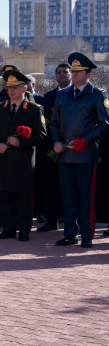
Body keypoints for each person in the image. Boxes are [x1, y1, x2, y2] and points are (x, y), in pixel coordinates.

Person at [50, 52, 109, 248]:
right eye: (73, 71)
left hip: (85, 155)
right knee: (68, 196)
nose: (74, 75)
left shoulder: (97, 95)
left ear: (88, 74)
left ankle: (86, 235)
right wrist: (57, 142)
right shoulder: (63, 94)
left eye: (78, 71)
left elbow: (104, 124)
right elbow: (55, 123)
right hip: (65, 155)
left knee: (85, 197)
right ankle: (70, 233)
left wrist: (85, 141)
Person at [0, 69, 47, 241]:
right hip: (3, 160)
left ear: (24, 88)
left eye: (16, 87)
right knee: (4, 195)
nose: (11, 90)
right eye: (9, 87)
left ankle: (24, 230)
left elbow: (41, 135)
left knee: (23, 197)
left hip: (23, 161)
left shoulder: (34, 109)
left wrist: (20, 142)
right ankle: (8, 229)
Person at [35, 63, 71, 232]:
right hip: (50, 148)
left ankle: (71, 223)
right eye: (59, 72)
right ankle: (51, 220)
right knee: (51, 186)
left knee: (70, 187)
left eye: (65, 71)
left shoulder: (76, 94)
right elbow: (41, 118)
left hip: (72, 148)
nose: (62, 74)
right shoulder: (48, 96)